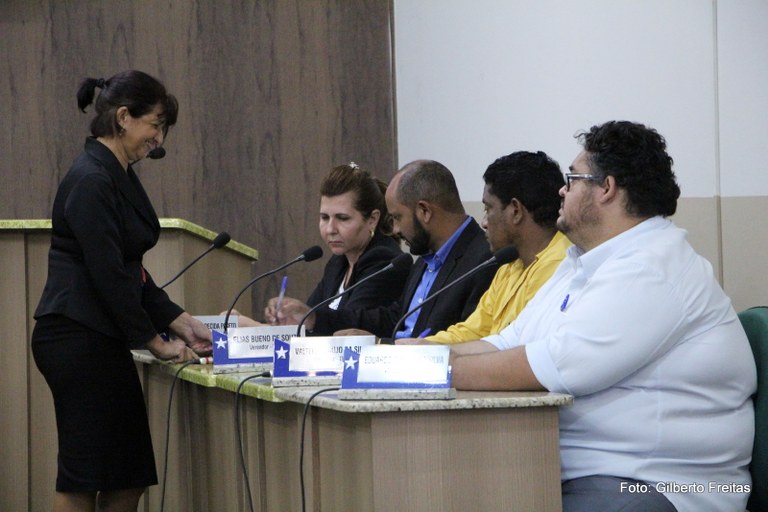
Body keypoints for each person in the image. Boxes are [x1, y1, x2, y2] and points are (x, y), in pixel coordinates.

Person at [448, 121, 756, 511]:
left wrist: (434, 373)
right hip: (585, 468)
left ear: (606, 188)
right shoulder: (582, 261)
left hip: (659, 484)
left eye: (572, 179)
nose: (561, 191)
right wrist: (409, 362)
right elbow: (507, 342)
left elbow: (552, 366)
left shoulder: (652, 267)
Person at [31, 70, 212, 512]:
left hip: (99, 339)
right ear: (124, 117)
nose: (159, 139)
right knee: (84, 477)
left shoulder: (116, 173)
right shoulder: (92, 178)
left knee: (127, 476)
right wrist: (153, 341)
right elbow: (108, 274)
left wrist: (180, 321)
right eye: (155, 125)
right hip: (78, 339)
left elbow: (131, 272)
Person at [279, 159, 497, 341]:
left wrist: (382, 346)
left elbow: (464, 343)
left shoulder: (483, 261)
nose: (395, 229)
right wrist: (317, 318)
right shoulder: (425, 260)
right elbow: (394, 319)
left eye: (397, 217)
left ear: (424, 211)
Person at [399, 151, 570, 345]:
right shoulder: (509, 267)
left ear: (515, 211)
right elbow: (472, 331)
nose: (484, 222)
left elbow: (515, 348)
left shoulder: (560, 268)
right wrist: (419, 347)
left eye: (488, 209)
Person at [234, 163, 412, 335]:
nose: (330, 229)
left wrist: (256, 328)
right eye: (324, 217)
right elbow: (309, 321)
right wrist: (281, 319)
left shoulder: (384, 261)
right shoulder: (338, 263)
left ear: (372, 219)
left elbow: (346, 330)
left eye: (342, 218)